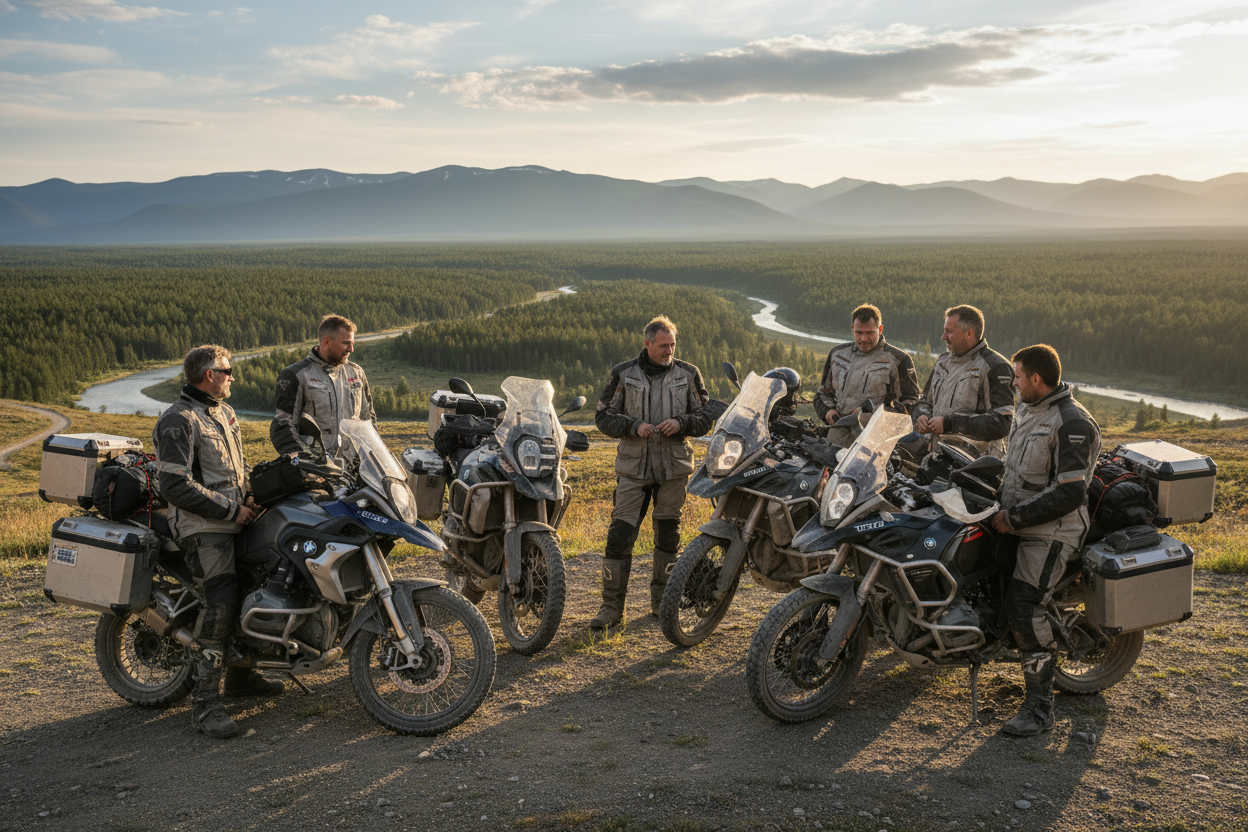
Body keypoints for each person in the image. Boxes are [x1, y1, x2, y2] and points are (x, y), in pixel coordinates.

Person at [153, 345, 283, 739]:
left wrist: (249, 496)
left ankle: (241, 679)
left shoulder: (222, 413)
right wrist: (230, 511)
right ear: (209, 374)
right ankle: (205, 706)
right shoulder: (177, 420)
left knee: (257, 585)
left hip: (234, 519)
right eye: (227, 371)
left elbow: (233, 467)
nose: (232, 377)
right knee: (221, 605)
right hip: (201, 528)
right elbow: (173, 484)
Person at [988, 344, 1101, 737]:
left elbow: (1069, 494)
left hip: (1053, 528)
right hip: (1014, 518)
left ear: (1036, 379)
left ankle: (1040, 709)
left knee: (1024, 606)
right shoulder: (1028, 408)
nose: (1012, 382)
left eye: (1017, 376)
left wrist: (1014, 518)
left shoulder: (1072, 423)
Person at [591, 315, 716, 631]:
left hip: (673, 468)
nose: (668, 351)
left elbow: (705, 416)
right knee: (619, 537)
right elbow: (603, 417)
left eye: (672, 345)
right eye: (663, 346)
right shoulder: (623, 374)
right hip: (633, 469)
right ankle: (610, 610)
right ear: (647, 344)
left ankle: (662, 604)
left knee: (668, 537)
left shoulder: (689, 374)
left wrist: (683, 424)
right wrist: (633, 426)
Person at [913, 304, 1014, 457]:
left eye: (949, 331)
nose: (943, 337)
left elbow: (1001, 423)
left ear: (969, 333)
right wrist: (921, 416)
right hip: (937, 457)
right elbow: (924, 400)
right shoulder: (942, 361)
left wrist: (949, 424)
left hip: (973, 465)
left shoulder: (995, 367)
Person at [271, 314, 376, 458]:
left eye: (352, 343)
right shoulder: (296, 375)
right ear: (326, 342)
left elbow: (368, 419)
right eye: (346, 343)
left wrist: (373, 457)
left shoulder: (356, 373)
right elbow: (282, 427)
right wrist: (309, 462)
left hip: (355, 470)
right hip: (317, 471)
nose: (351, 349)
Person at [813, 304, 919, 443]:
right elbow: (823, 393)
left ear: (880, 329)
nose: (863, 339)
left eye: (869, 333)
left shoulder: (898, 360)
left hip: (875, 442)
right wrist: (827, 411)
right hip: (837, 436)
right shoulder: (838, 355)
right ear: (852, 328)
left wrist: (871, 415)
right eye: (859, 333)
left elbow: (911, 405)